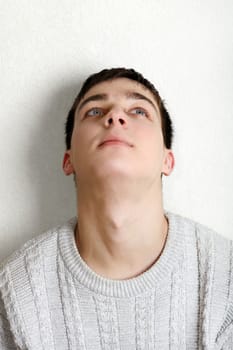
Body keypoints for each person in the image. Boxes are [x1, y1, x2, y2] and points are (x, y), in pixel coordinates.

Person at [0, 68, 232, 349]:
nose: (115, 116)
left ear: (167, 160)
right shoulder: (17, 290)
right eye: (94, 111)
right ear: (68, 160)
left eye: (139, 111)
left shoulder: (224, 279)